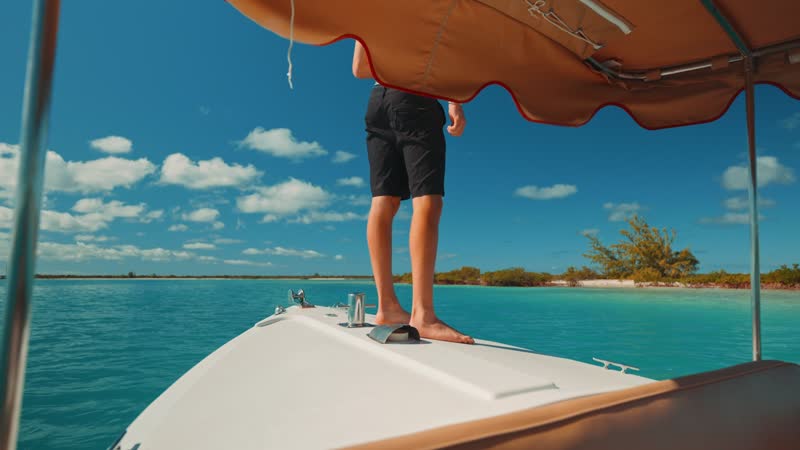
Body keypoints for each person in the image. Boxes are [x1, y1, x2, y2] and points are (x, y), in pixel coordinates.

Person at [352, 41, 473, 344]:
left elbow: (359, 69)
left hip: (377, 101)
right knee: (427, 201)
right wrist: (455, 102)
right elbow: (447, 55)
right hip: (416, 98)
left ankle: (386, 306)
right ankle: (423, 314)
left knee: (383, 201)